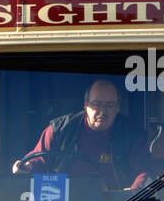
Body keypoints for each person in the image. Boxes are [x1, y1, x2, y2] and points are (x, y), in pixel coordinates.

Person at [12, 79, 153, 190]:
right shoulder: (59, 130)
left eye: (109, 105)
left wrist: (130, 196)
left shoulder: (133, 135)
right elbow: (39, 160)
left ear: (117, 108)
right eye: (97, 104)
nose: (102, 111)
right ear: (86, 106)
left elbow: (144, 171)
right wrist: (26, 166)